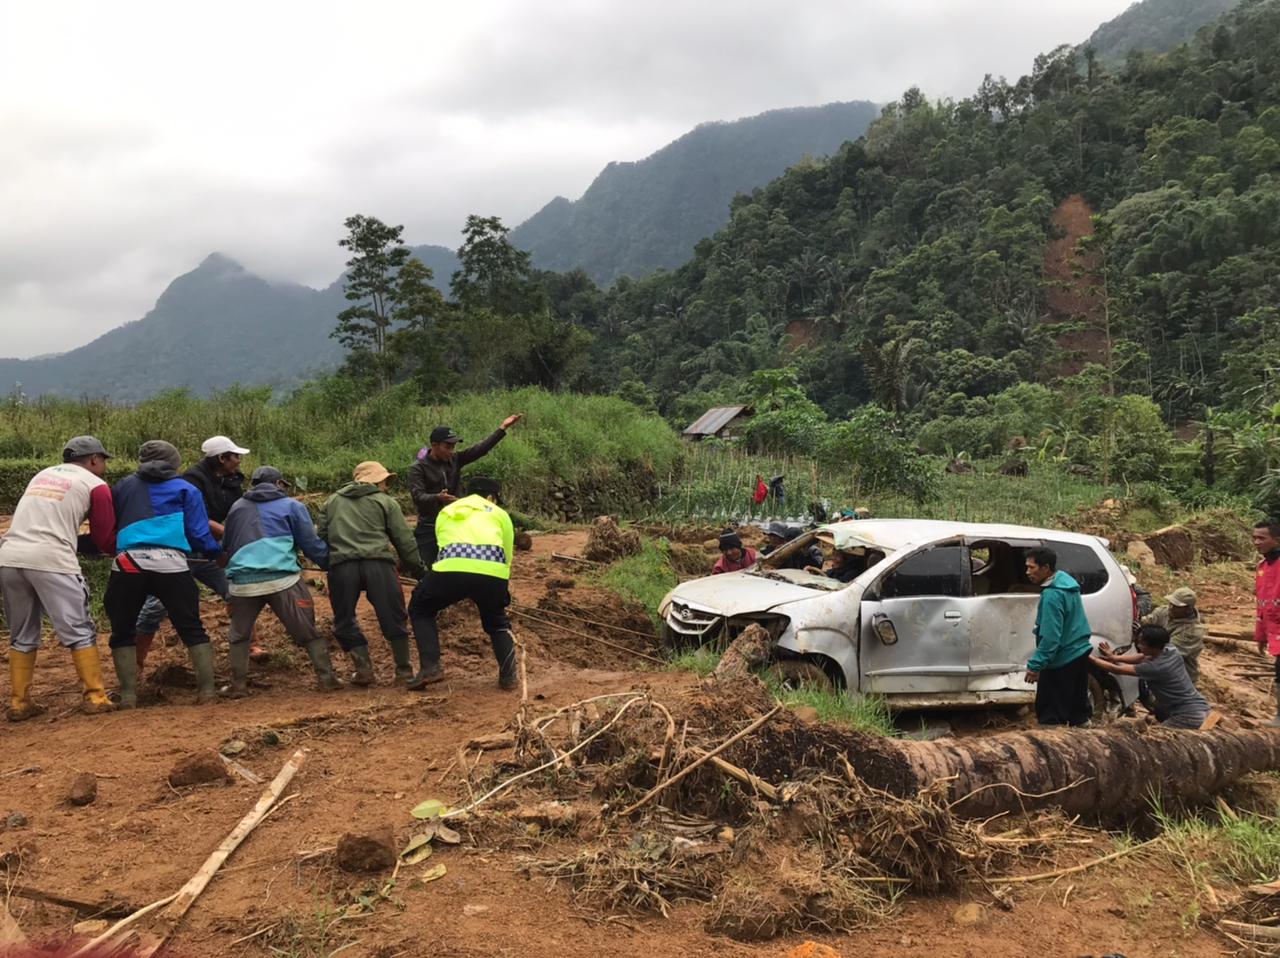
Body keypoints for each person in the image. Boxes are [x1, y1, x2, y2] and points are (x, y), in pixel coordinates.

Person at [0, 436, 117, 720]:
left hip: (10, 556)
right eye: (102, 460)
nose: (103, 466)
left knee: (22, 632)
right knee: (79, 628)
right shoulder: (96, 485)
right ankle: (96, 697)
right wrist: (119, 550)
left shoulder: (42, 475)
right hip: (53, 560)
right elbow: (104, 537)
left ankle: (19, 703)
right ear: (92, 460)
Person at [106, 440, 223, 707]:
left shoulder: (123, 486)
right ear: (175, 462)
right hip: (171, 563)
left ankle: (127, 696)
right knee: (191, 627)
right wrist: (216, 553)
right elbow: (198, 533)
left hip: (128, 563)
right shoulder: (186, 488)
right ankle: (207, 693)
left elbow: (111, 523)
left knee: (122, 630)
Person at [132, 434, 256, 671]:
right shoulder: (191, 481)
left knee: (237, 591)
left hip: (210, 550)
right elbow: (199, 521)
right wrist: (230, 536)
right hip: (184, 552)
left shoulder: (231, 481)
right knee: (154, 607)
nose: (239, 461)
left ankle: (252, 646)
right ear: (222, 458)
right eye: (235, 456)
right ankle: (136, 664)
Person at [221, 466, 340, 696]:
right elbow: (310, 542)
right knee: (307, 630)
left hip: (243, 582)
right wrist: (329, 563)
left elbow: (226, 545)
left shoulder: (236, 507)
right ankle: (327, 678)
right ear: (279, 484)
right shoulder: (292, 506)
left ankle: (237, 686)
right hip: (282, 579)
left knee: (239, 634)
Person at [318, 461, 426, 685]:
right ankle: (404, 671)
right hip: (379, 565)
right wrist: (418, 569)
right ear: (377, 481)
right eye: (384, 481)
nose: (386, 486)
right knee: (393, 615)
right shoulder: (385, 502)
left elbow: (322, 535)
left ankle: (364, 670)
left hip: (343, 566)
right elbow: (404, 540)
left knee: (344, 618)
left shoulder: (332, 502)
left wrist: (330, 560)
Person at [407, 476, 516, 690]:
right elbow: (507, 551)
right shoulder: (499, 513)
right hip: (492, 570)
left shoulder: (447, 511)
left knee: (421, 607)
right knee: (497, 621)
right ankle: (509, 676)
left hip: (450, 567)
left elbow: (442, 544)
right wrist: (501, 584)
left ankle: (431, 668)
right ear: (491, 497)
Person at [408, 416, 521, 567]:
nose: (451, 451)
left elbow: (480, 449)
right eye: (447, 446)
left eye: (453, 447)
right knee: (426, 565)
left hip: (456, 522)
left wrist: (502, 429)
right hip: (430, 524)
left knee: (456, 564)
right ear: (434, 445)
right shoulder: (418, 468)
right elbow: (418, 496)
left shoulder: (455, 460)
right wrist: (438, 498)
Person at [1023, 546, 1094, 727]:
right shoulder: (1068, 586)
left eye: (1032, 567)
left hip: (1061, 659)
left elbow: (1050, 636)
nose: (1027, 572)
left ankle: (1053, 752)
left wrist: (1036, 664)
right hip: (1078, 654)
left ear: (1045, 568)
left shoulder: (1052, 595)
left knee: (1050, 715)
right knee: (1078, 713)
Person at [1091, 625, 1211, 729]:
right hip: (1199, 707)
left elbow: (1117, 669)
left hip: (1189, 715)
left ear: (1153, 646)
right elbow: (1141, 657)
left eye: (1141, 643)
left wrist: (1091, 658)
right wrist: (1114, 657)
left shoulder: (1156, 668)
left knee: (1159, 741)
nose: (1138, 645)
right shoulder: (1170, 650)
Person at [1141, 586, 1205, 686]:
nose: (1171, 607)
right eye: (1171, 603)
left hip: (1179, 678)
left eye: (1176, 606)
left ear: (1188, 610)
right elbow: (1145, 623)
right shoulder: (1163, 612)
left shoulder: (1192, 632)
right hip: (1159, 670)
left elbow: (1166, 654)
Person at [1254, 518, 1280, 725]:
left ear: (1276, 539)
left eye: (1262, 538)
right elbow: (1262, 605)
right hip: (1274, 631)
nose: (1256, 542)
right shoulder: (1263, 567)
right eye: (1254, 537)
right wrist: (1261, 635)